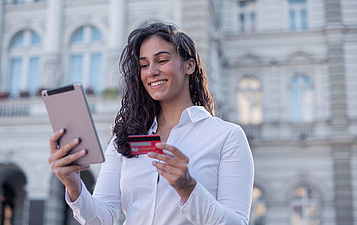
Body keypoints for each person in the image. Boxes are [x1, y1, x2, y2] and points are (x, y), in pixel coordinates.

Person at [48, 22, 254, 225]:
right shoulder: (125, 138)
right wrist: (74, 186)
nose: (151, 71)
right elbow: (101, 219)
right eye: (144, 65)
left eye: (162, 60)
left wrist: (188, 188)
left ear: (189, 65)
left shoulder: (227, 136)